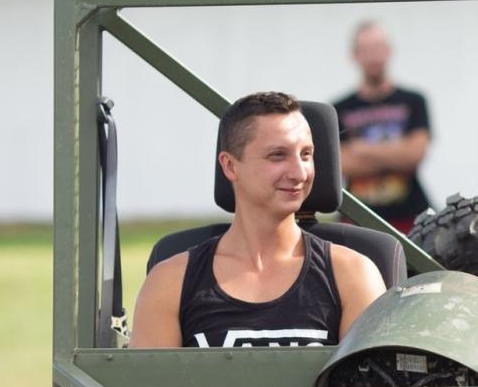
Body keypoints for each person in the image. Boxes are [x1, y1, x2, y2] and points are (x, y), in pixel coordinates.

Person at [131, 91, 386, 349]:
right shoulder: (170, 281)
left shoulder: (353, 274)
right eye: (278, 155)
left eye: (306, 154)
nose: (299, 172)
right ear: (230, 166)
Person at [331, 21, 433, 234]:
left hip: (411, 218)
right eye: (366, 49)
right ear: (355, 55)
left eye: (378, 48)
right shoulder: (338, 108)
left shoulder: (413, 101)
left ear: (389, 51)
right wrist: (396, 153)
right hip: (357, 219)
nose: (373, 57)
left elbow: (415, 155)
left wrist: (362, 149)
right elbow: (341, 164)